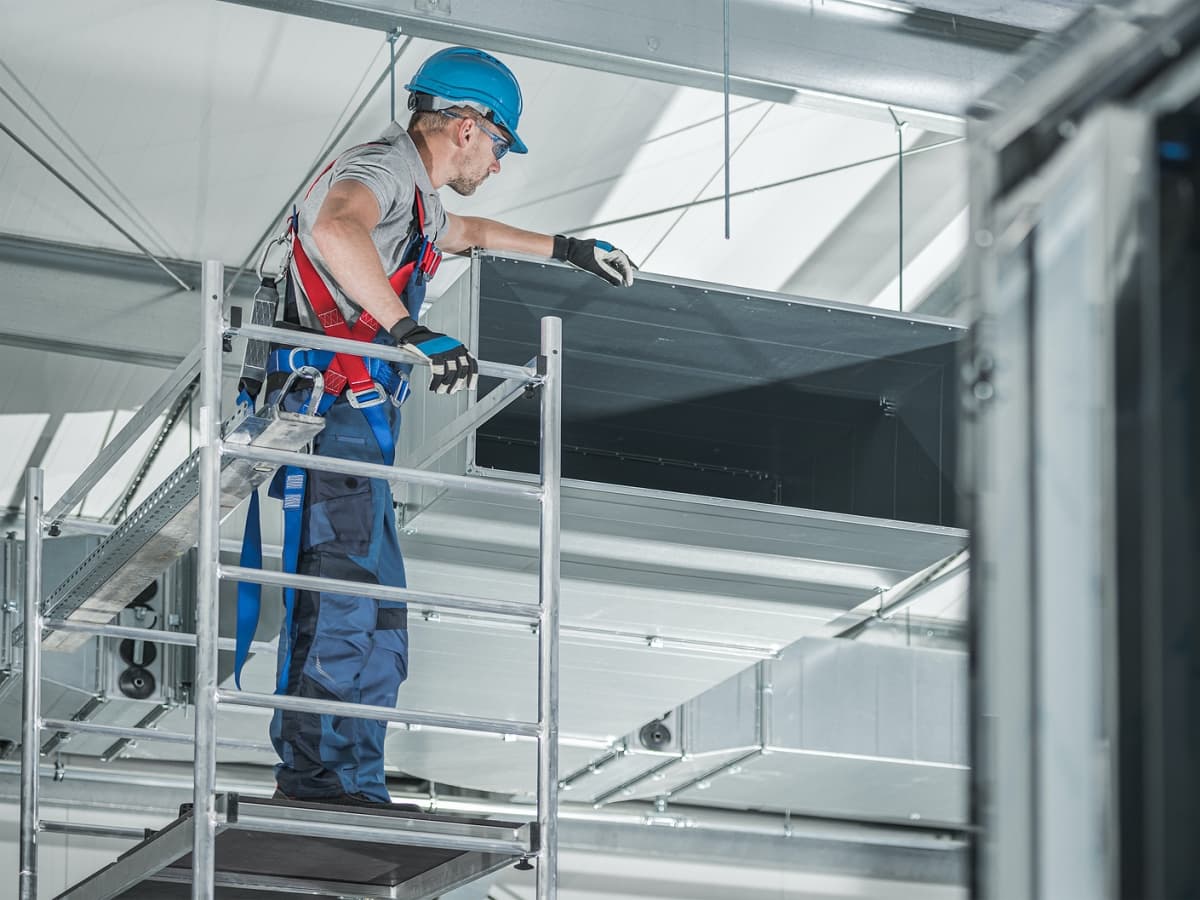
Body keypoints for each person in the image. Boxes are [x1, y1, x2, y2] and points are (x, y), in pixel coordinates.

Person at [266, 46, 636, 806]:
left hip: (359, 427)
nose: (498, 162)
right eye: (500, 145)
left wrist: (568, 249)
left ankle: (353, 780)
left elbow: (465, 233)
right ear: (467, 127)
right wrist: (409, 331)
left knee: (379, 617)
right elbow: (337, 227)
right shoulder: (378, 170)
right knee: (343, 602)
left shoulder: (415, 194)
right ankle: (319, 782)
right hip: (336, 414)